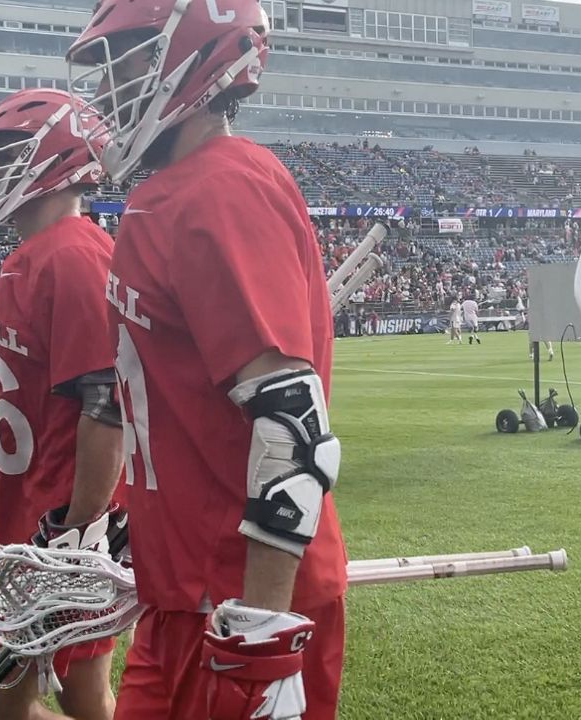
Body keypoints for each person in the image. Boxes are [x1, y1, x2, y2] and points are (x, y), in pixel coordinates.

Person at [67, 3, 347, 717]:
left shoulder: (220, 188)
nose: (106, 89)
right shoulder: (172, 192)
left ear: (188, 51)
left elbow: (292, 429)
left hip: (237, 606)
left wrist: (262, 635)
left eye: (124, 60)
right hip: (185, 593)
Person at [0, 87, 126, 720]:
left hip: (65, 531)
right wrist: (4, 500)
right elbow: (33, 406)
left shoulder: (76, 255)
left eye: (6, 153)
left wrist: (79, 532)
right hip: (40, 516)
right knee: (84, 694)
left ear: (56, 158)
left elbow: (106, 406)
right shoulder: (32, 257)